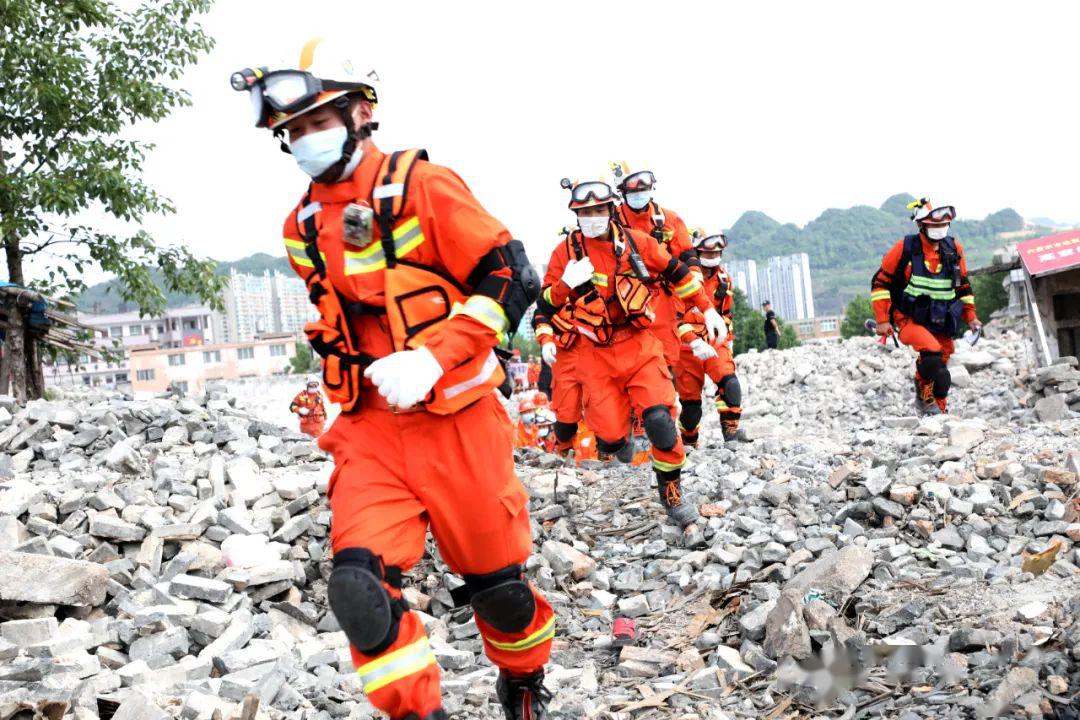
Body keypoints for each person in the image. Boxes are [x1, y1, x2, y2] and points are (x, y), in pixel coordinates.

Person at [232, 38, 553, 720]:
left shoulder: (423, 186)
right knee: (358, 588)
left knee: (501, 592)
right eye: (292, 131)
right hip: (370, 431)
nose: (305, 139)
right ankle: (418, 712)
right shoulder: (300, 224)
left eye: (317, 122)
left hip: (458, 420)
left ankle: (523, 684)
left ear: (360, 113)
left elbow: (511, 276)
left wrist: (437, 354)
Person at [536, 178, 725, 526]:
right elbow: (544, 305)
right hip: (595, 355)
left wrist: (708, 309)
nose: (591, 217)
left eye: (597, 210)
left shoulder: (636, 244)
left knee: (659, 420)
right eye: (583, 212)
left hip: (639, 345)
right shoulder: (565, 253)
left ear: (610, 210)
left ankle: (671, 492)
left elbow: (678, 272)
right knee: (609, 437)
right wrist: (566, 284)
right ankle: (617, 441)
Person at [871, 198, 980, 415]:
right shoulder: (905, 248)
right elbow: (881, 283)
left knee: (942, 374)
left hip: (942, 319)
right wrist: (882, 320)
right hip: (910, 318)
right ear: (922, 226)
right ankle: (925, 399)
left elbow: (963, 286)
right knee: (932, 353)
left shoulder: (953, 249)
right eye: (935, 225)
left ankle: (937, 412)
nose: (940, 230)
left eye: (944, 225)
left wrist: (971, 317)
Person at [610, 164, 701, 374]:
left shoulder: (669, 220)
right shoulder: (611, 220)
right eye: (634, 185)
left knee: (666, 362)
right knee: (629, 365)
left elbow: (687, 254)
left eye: (645, 183)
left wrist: (696, 286)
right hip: (625, 299)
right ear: (622, 189)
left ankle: (670, 404)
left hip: (664, 300)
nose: (640, 190)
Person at [676, 232, 742, 444]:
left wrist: (728, 339)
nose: (712, 256)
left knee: (730, 383)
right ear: (696, 251)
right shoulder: (679, 277)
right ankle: (689, 440)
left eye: (716, 252)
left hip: (714, 340)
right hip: (686, 346)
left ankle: (731, 431)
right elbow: (672, 318)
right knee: (691, 406)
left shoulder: (724, 279)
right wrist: (692, 340)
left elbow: (726, 314)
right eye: (707, 252)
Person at [532, 227, 593, 458]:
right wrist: (546, 341)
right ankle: (563, 454)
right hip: (564, 357)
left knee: (602, 409)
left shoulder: (598, 289)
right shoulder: (551, 296)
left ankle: (606, 455)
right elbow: (541, 316)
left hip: (595, 356)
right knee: (566, 415)